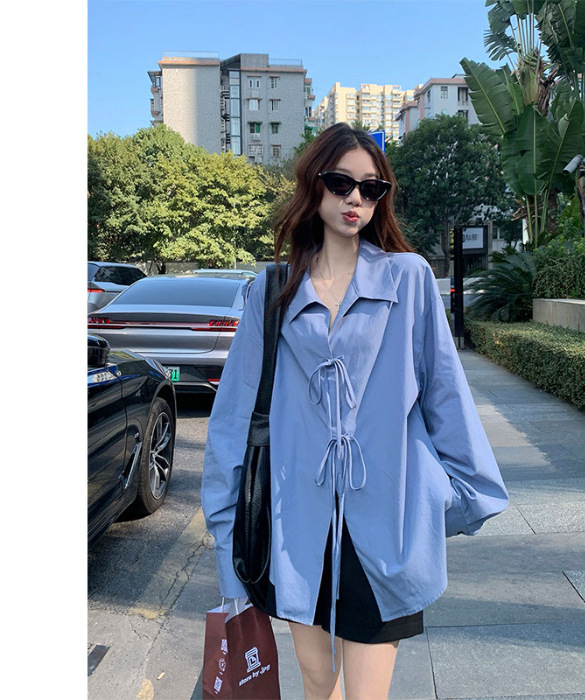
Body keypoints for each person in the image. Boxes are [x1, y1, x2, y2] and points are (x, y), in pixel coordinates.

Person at [201, 123, 508, 699]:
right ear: (313, 184)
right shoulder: (272, 290)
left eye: (372, 188)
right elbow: (233, 421)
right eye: (341, 183)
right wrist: (226, 542)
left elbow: (445, 395)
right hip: (297, 528)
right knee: (319, 685)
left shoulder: (409, 278)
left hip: (385, 524)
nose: (356, 199)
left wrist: (452, 499)